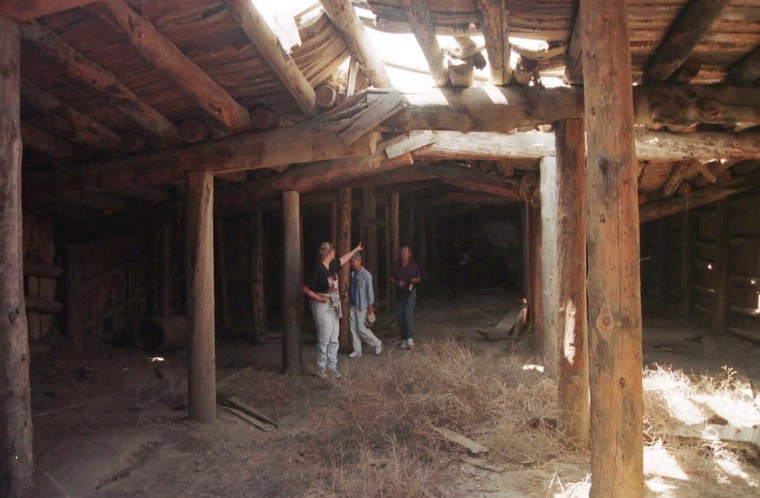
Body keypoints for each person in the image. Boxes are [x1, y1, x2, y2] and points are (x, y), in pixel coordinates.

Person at [303, 241, 363, 378]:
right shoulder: (318, 269)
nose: (335, 254)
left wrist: (355, 250)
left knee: (334, 338)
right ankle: (321, 368)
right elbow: (306, 288)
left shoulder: (332, 266)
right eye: (334, 252)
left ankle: (332, 367)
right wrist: (319, 299)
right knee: (324, 338)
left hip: (333, 305)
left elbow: (343, 259)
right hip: (321, 305)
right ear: (330, 253)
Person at [348, 252, 382, 358]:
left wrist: (370, 306)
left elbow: (370, 291)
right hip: (352, 304)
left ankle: (377, 342)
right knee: (353, 328)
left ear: (359, 261)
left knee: (361, 328)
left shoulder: (367, 275)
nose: (351, 264)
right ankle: (357, 350)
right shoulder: (353, 274)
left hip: (362, 305)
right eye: (351, 262)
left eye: (352, 262)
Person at [389, 245, 422, 349]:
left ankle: (410, 338)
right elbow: (390, 277)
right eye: (402, 251)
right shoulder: (396, 264)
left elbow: (419, 278)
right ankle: (403, 339)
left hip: (410, 292)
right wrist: (397, 282)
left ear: (410, 254)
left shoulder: (413, 265)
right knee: (400, 316)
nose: (404, 253)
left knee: (408, 314)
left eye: (406, 251)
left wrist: (414, 280)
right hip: (400, 293)